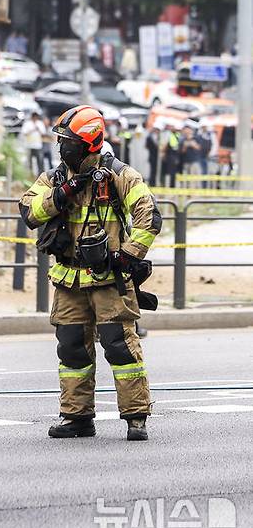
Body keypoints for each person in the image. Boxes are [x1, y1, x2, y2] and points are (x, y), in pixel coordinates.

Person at [19, 105, 162, 441]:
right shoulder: (55, 179)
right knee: (71, 350)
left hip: (109, 280)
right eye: (61, 141)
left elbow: (149, 217)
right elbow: (29, 211)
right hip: (69, 280)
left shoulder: (120, 176)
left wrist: (128, 256)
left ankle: (135, 416)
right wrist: (62, 194)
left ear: (89, 144)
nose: (61, 147)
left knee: (120, 347)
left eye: (68, 141)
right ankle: (76, 417)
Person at [21, 112, 46, 176]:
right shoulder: (27, 124)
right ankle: (30, 174)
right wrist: (32, 130)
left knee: (40, 161)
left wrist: (38, 129)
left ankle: (40, 174)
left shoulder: (40, 123)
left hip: (38, 145)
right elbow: (24, 133)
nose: (35, 118)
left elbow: (43, 133)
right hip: (29, 145)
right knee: (29, 161)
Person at [161, 123, 181, 188]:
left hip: (172, 155)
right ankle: (170, 186)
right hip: (172, 155)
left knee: (172, 173)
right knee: (170, 173)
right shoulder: (173, 134)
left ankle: (171, 186)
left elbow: (172, 145)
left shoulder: (172, 135)